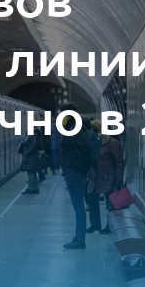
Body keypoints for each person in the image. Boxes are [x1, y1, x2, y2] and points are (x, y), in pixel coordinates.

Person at [59, 104, 97, 249]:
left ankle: (80, 239)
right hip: (76, 171)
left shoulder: (76, 128)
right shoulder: (77, 125)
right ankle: (78, 237)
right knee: (78, 206)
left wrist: (74, 166)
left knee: (78, 206)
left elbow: (83, 149)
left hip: (75, 172)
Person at [86, 121, 124, 234]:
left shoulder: (113, 143)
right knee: (92, 198)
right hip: (95, 175)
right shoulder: (93, 142)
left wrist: (118, 180)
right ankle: (95, 224)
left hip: (108, 176)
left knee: (111, 201)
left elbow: (119, 163)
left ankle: (110, 225)